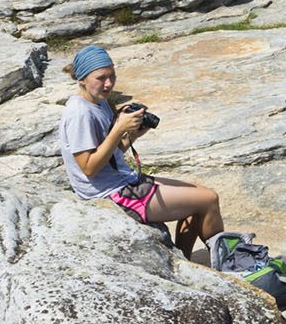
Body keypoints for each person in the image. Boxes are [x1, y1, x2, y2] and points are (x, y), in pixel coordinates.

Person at [56, 44, 225, 259]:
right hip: (111, 194)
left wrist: (133, 135)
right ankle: (228, 261)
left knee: (199, 193)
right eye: (101, 78)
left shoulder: (99, 102)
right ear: (82, 79)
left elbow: (111, 154)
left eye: (112, 75)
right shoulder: (80, 113)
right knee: (208, 199)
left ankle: (185, 261)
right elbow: (89, 167)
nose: (108, 83)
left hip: (122, 180)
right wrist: (119, 129)